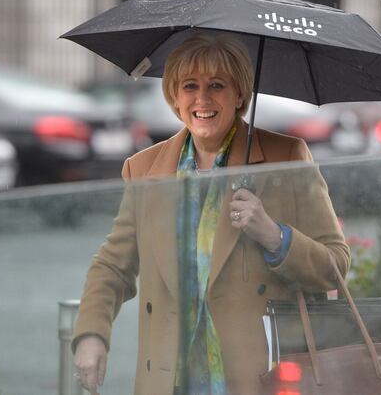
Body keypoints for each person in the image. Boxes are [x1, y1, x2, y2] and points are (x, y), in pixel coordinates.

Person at [72, 33, 349, 395]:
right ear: (174, 96)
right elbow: (114, 265)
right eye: (190, 86)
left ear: (239, 96)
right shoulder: (144, 170)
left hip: (257, 378)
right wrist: (92, 334)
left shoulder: (286, 158)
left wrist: (273, 235)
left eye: (217, 85)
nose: (202, 99)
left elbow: (336, 264)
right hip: (170, 378)